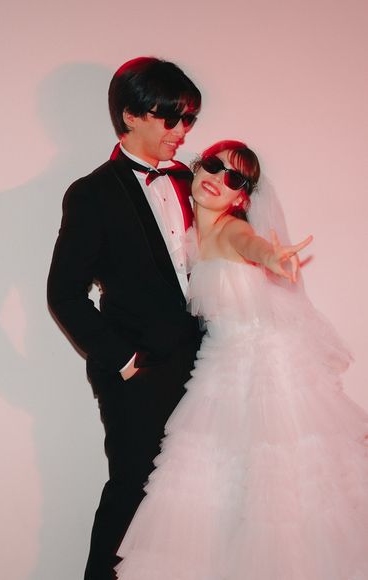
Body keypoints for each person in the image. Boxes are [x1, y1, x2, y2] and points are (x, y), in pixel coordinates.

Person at [115, 140, 368, 580]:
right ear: (197, 168)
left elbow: (251, 244)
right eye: (213, 166)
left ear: (242, 199)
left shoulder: (232, 230)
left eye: (234, 178)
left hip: (264, 371)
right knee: (220, 487)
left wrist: (270, 255)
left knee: (276, 487)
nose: (218, 179)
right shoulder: (189, 234)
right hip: (220, 366)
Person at [47, 57, 204, 580]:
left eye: (188, 119)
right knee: (134, 492)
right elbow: (64, 294)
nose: (181, 131)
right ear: (131, 116)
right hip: (141, 370)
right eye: (170, 118)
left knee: (203, 496)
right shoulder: (92, 192)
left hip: (209, 367)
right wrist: (124, 359)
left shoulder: (195, 182)